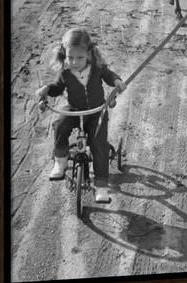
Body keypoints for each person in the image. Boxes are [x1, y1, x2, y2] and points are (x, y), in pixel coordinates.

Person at [37, 28, 127, 203]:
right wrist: (46, 90)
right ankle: (61, 160)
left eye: (80, 57)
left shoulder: (98, 68)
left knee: (99, 145)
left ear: (89, 54)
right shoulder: (65, 73)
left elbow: (109, 76)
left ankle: (101, 186)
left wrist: (117, 81)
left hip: (96, 112)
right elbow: (57, 88)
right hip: (74, 109)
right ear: (64, 55)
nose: (74, 62)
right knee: (59, 124)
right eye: (70, 57)